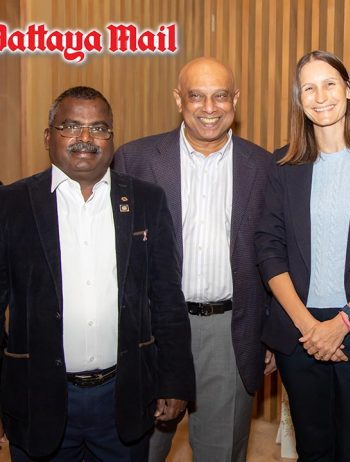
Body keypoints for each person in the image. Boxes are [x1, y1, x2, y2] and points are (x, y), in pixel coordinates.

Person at [0, 86, 195, 461]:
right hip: (37, 396)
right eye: (71, 126)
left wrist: (174, 380)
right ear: (48, 136)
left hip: (123, 396)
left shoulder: (146, 200)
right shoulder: (11, 204)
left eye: (99, 128)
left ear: (112, 138)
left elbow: (167, 298)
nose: (86, 138)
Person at [113, 57, 273, 462]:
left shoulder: (264, 166)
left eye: (220, 96)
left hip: (230, 333)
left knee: (222, 453)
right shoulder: (135, 160)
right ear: (178, 99)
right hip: (153, 330)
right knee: (141, 450)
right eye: (196, 96)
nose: (209, 107)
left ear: (235, 99)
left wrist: (270, 332)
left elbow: (274, 253)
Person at [255, 50, 350, 462]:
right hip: (300, 332)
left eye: (330, 84)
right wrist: (310, 327)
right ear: (299, 99)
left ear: (349, 89)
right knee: (313, 449)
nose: (320, 96)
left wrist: (342, 323)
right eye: (309, 88)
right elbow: (269, 248)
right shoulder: (282, 163)